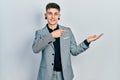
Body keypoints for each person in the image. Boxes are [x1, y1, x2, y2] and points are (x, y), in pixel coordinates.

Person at [32, 2, 103, 80]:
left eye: (55, 14)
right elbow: (35, 49)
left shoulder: (67, 31)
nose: (53, 17)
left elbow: (74, 51)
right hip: (46, 76)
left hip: (64, 75)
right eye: (50, 13)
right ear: (45, 15)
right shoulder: (40, 32)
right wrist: (51, 36)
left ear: (59, 16)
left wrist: (87, 41)